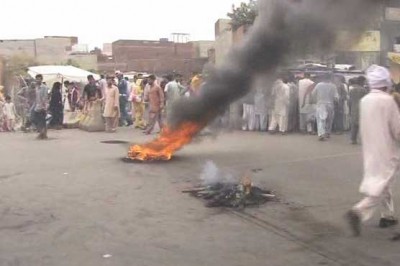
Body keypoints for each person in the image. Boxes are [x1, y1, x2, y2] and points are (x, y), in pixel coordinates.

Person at [346, 65, 400, 236]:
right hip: (387, 149)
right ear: (385, 83)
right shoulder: (387, 100)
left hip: (370, 148)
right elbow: (397, 129)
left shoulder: (365, 100)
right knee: (382, 183)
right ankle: (358, 211)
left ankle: (388, 216)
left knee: (382, 182)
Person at [312, 74, 338, 141]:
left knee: (321, 120)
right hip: (330, 105)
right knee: (329, 120)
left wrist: (316, 101)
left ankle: (321, 134)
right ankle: (327, 133)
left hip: (321, 105)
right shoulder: (333, 86)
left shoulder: (319, 85)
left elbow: (313, 94)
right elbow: (336, 97)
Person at [348, 77, 368, 145]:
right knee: (362, 124)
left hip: (353, 108)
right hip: (362, 108)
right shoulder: (364, 90)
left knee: (354, 125)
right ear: (362, 82)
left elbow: (349, 100)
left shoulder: (352, 90)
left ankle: (353, 139)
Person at [32, 74, 49, 139]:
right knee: (34, 119)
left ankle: (43, 134)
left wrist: (44, 107)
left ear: (41, 79)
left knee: (42, 121)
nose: (38, 80)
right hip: (37, 106)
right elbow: (36, 97)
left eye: (39, 79)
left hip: (42, 106)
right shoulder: (36, 87)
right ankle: (42, 133)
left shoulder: (44, 87)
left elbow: (45, 97)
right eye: (37, 79)